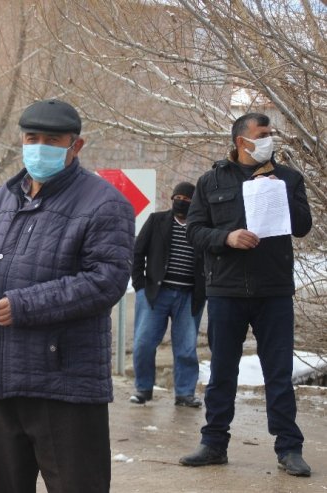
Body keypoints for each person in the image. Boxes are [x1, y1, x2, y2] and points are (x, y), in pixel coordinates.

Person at [0, 99, 135, 493]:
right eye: (31, 138)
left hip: (65, 382)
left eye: (51, 140)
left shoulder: (104, 204)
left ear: (76, 145)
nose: (39, 147)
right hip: (2, 378)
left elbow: (105, 281)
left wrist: (24, 305)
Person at [179, 113, 312, 477]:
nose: (270, 139)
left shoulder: (288, 178)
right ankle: (214, 444)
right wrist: (227, 238)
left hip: (274, 291)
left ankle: (289, 448)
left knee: (279, 374)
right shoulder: (211, 181)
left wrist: (277, 191)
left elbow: (303, 227)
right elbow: (194, 232)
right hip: (226, 291)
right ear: (242, 141)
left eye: (271, 133)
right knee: (222, 371)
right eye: (262, 134)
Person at [130, 181, 205, 408]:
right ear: (172, 199)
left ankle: (184, 393)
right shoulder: (156, 221)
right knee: (143, 343)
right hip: (155, 294)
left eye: (187, 200)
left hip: (189, 297)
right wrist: (140, 286)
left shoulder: (201, 227)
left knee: (186, 348)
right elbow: (137, 252)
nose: (181, 202)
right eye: (178, 198)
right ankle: (143, 389)